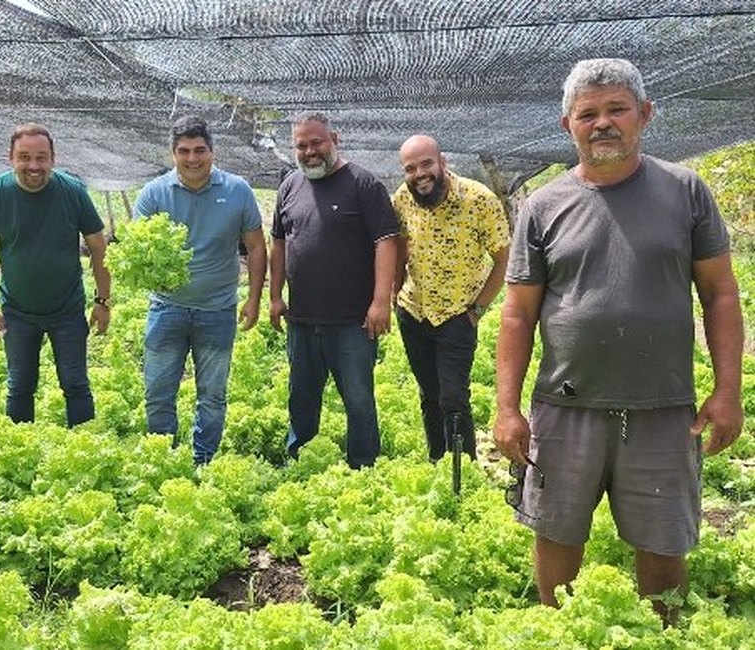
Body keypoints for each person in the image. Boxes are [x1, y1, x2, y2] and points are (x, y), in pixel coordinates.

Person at [493, 58, 744, 622]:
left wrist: (728, 391)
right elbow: (517, 315)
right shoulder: (544, 206)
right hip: (565, 405)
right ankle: (560, 629)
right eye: (588, 114)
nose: (602, 123)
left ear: (644, 115)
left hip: (662, 406)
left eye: (616, 110)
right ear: (568, 125)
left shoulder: (685, 191)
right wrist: (507, 408)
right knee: (556, 532)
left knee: (663, 540)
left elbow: (721, 295)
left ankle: (660, 631)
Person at [133, 115, 266, 465]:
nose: (192, 159)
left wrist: (254, 299)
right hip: (166, 308)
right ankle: (163, 459)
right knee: (158, 392)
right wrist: (151, 276)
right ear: (173, 154)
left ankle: (203, 460)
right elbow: (134, 252)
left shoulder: (237, 190)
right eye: (184, 151)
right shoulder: (154, 193)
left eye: (199, 150)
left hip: (218, 309)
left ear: (212, 151)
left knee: (212, 394)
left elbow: (256, 246)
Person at [270, 111, 399, 469]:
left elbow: (386, 242)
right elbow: (278, 243)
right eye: (301, 146)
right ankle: (300, 459)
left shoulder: (363, 184)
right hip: (302, 318)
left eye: (317, 143)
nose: (310, 152)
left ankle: (363, 464)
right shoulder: (290, 186)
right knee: (301, 395)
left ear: (335, 140)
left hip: (352, 320)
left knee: (358, 399)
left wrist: (380, 301)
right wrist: (275, 296)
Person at [0, 123, 111, 428]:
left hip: (68, 309)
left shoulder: (73, 192)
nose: (33, 165)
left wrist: (102, 301)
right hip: (17, 311)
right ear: (10, 158)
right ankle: (20, 447)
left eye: (41, 158)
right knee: (20, 386)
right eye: (24, 157)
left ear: (53, 159)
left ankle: (83, 444)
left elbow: (99, 247)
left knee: (75, 384)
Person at [392, 135, 510, 462]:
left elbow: (503, 259)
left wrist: (477, 309)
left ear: (441, 162)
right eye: (410, 168)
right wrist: (394, 293)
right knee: (429, 395)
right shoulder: (402, 198)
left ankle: (462, 471)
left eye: (426, 164)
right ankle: (436, 463)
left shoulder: (478, 199)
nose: (419, 174)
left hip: (457, 316)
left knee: (454, 398)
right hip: (413, 313)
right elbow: (400, 247)